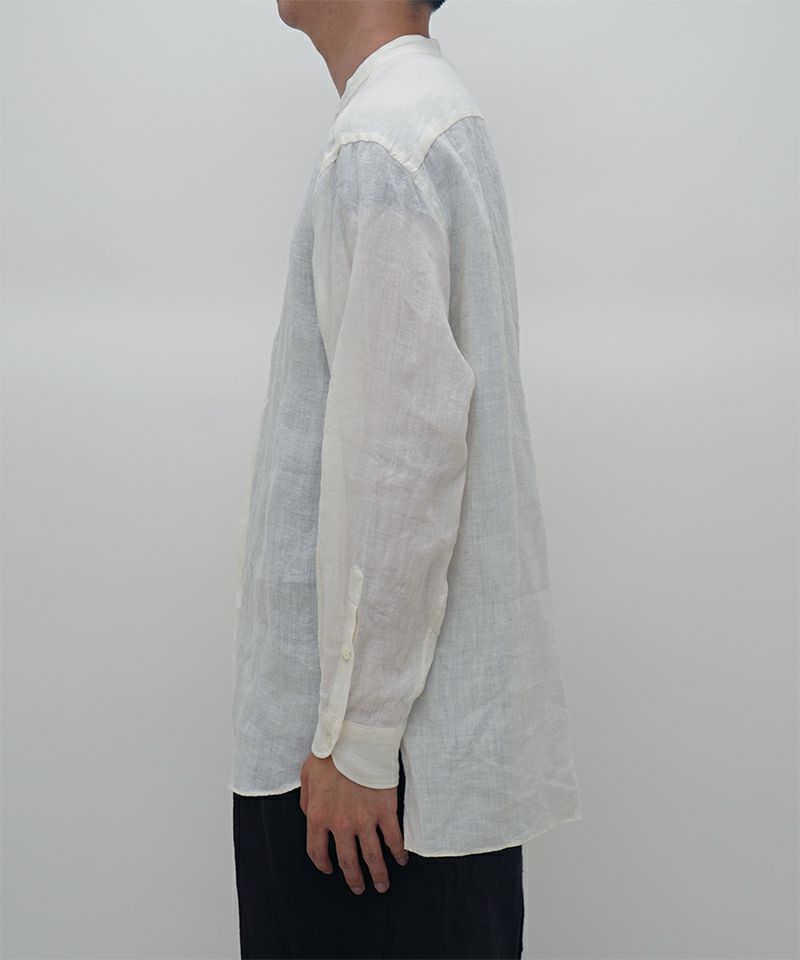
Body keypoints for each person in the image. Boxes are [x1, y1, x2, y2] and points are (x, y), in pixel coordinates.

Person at [229, 2, 583, 957]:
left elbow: (401, 464)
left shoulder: (381, 144)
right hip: (412, 767)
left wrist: (358, 739)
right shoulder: (427, 119)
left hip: (366, 791)